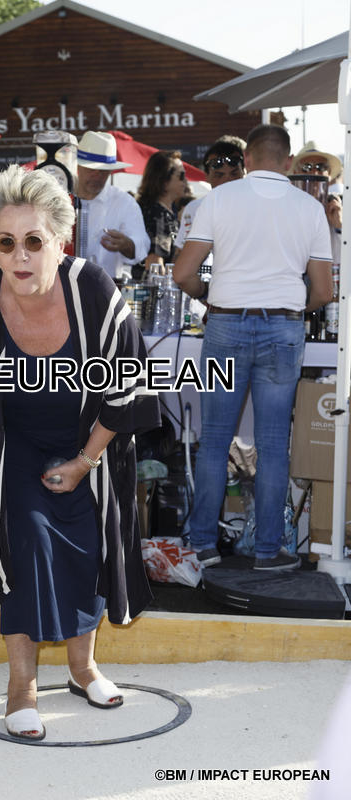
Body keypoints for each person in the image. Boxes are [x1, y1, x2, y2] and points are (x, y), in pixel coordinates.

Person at [0, 165, 160, 740]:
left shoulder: (96, 289)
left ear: (60, 241)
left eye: (34, 241)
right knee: (24, 539)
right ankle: (22, 687)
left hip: (91, 437)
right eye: (6, 243)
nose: (20, 256)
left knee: (90, 546)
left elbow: (127, 390)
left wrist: (84, 462)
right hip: (11, 444)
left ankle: (83, 668)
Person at [173, 124, 333, 571]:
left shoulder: (219, 200)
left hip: (225, 323)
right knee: (272, 443)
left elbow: (183, 275)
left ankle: (203, 544)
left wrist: (213, 299)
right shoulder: (309, 207)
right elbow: (323, 290)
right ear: (288, 163)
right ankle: (268, 550)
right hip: (283, 327)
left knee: (214, 441)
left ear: (247, 160)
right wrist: (292, 303)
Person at [75, 130, 149, 278]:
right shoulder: (58, 197)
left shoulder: (124, 202)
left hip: (103, 290)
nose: (98, 176)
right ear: (77, 166)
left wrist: (126, 244)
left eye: (104, 171)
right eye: (92, 169)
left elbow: (141, 246)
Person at [174, 136, 246, 254]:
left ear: (244, 172)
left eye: (234, 174)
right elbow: (181, 254)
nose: (227, 181)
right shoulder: (195, 209)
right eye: (219, 175)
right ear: (206, 176)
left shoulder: (260, 206)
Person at [290, 141, 343, 266]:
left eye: (321, 167)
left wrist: (339, 227)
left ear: (329, 174)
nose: (314, 172)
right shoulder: (285, 207)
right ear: (296, 172)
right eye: (307, 167)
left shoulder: (339, 208)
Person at [137, 150, 187, 269]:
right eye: (181, 176)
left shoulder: (168, 211)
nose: (185, 181)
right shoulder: (157, 214)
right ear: (164, 181)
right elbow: (155, 264)